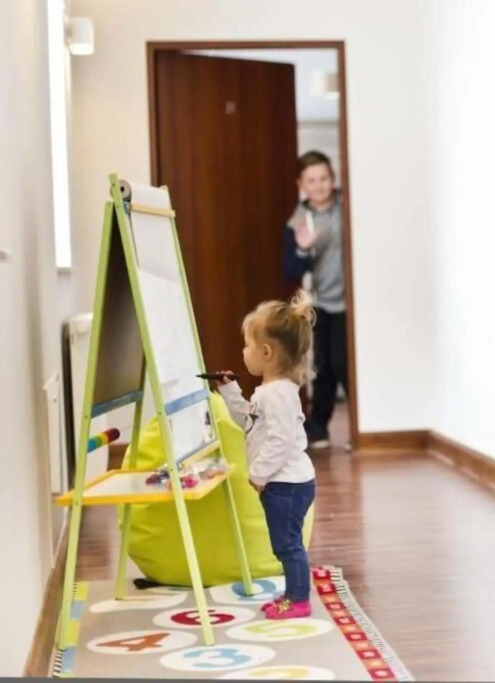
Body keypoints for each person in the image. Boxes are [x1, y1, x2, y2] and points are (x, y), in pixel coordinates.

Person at [216, 290, 318, 620]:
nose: (243, 351)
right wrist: (230, 391)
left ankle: (299, 601)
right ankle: (292, 594)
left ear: (266, 352)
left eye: (246, 345)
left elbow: (281, 440)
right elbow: (249, 422)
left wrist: (258, 473)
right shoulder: (269, 393)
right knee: (285, 544)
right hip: (283, 484)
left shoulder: (278, 395)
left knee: (288, 545)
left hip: (287, 486)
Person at [284, 150, 347, 450]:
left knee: (344, 363)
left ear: (333, 178)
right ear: (301, 184)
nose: (319, 185)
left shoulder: (348, 205)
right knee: (323, 366)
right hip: (323, 302)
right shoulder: (298, 221)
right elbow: (291, 270)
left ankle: (364, 425)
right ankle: (318, 428)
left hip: (354, 303)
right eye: (312, 180)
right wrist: (302, 249)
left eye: (324, 178)